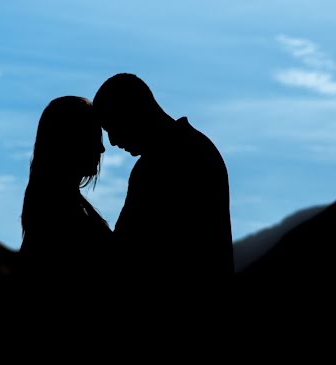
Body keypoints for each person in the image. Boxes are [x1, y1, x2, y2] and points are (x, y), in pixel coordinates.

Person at [93, 73, 234, 280]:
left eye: (112, 127)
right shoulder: (199, 147)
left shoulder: (158, 164)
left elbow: (126, 250)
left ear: (132, 112)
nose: (112, 142)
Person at [19, 95, 113, 293]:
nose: (102, 148)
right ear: (71, 140)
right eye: (94, 137)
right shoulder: (58, 212)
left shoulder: (48, 204)